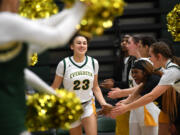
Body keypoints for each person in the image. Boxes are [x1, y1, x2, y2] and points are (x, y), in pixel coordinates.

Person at [0, 0, 87, 135]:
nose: (19, 3)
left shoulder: (7, 27)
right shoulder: (5, 21)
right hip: (7, 117)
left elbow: (21, 72)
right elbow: (57, 37)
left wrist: (51, 93)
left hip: (13, 112)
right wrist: (81, 8)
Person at [110, 41, 180, 133]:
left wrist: (126, 107)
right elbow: (143, 86)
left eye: (150, 56)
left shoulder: (171, 71)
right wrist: (128, 101)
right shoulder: (163, 69)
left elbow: (151, 96)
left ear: (159, 56)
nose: (149, 59)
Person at [51, 34, 112, 135]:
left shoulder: (93, 62)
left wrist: (103, 103)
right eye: (78, 43)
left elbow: (95, 87)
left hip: (88, 103)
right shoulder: (64, 64)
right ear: (72, 46)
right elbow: (55, 88)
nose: (82, 45)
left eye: (84, 43)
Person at [100, 34, 135, 135]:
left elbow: (132, 84)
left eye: (127, 41)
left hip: (133, 97)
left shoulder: (135, 60)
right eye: (122, 41)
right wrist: (111, 83)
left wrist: (115, 83)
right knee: (121, 129)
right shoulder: (119, 58)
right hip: (121, 98)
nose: (124, 43)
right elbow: (116, 79)